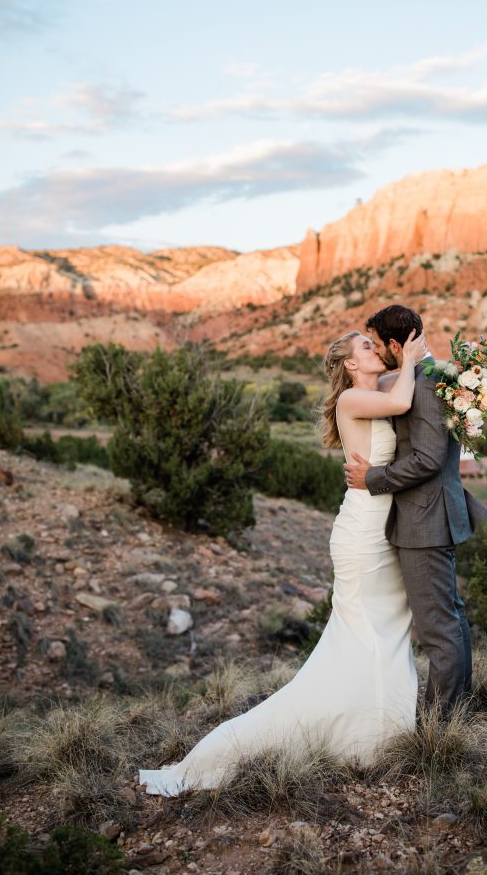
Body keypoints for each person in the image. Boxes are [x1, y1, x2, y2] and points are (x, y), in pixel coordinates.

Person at [138, 327, 426, 796]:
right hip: (363, 534)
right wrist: (410, 357)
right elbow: (400, 404)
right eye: (367, 347)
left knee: (386, 631)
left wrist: (427, 366)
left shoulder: (377, 388)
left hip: (382, 530)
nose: (377, 350)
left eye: (376, 345)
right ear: (351, 364)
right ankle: (353, 737)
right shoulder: (353, 399)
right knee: (367, 634)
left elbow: (406, 394)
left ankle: (378, 737)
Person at [344, 304, 480, 714]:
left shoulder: (424, 383)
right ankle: (459, 706)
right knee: (449, 616)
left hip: (426, 519)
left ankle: (442, 720)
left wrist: (374, 477)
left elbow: (428, 459)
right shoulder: (426, 375)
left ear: (392, 344)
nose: (378, 354)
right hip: (428, 515)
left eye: (378, 345)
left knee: (438, 625)